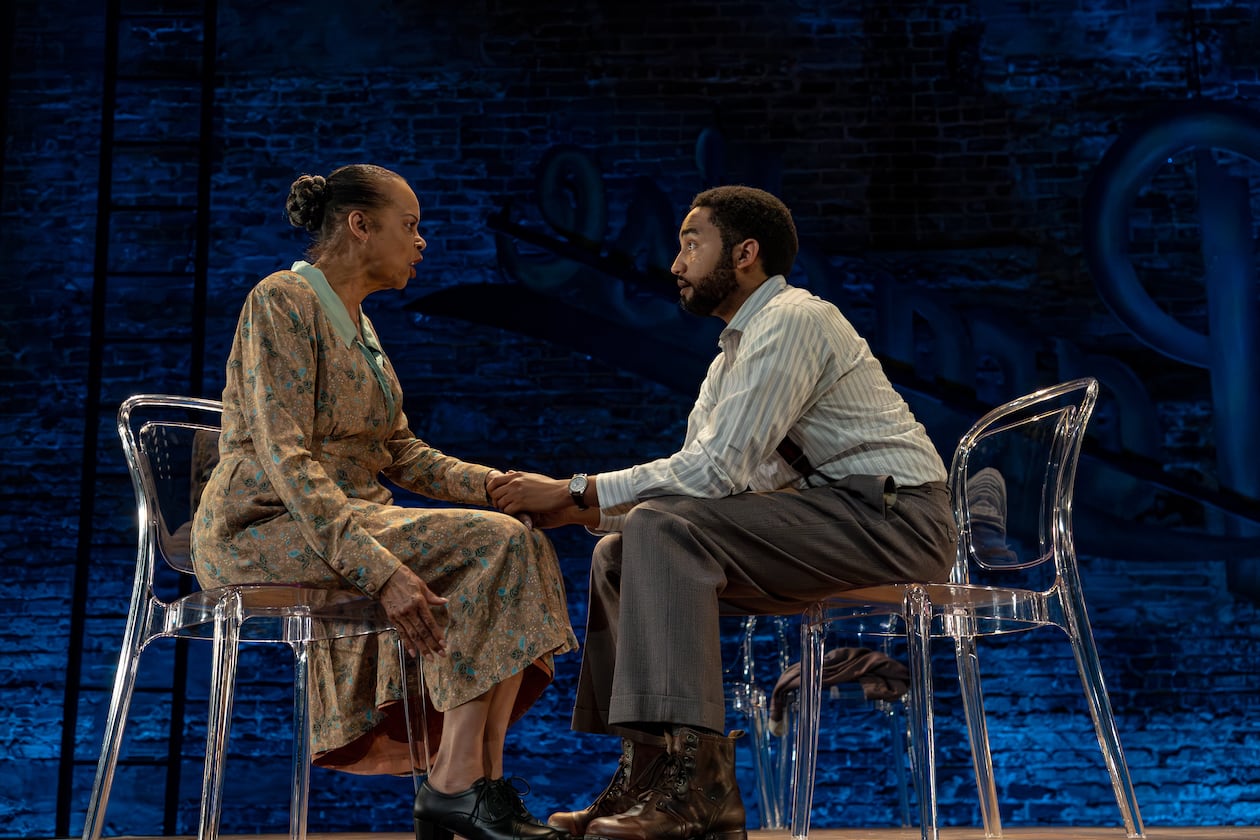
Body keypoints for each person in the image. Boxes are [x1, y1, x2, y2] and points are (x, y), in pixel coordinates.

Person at [488, 185, 957, 840]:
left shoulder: (794, 320)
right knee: (619, 554)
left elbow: (713, 476)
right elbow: (694, 497)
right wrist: (585, 515)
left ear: (744, 253)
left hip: (896, 522)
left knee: (656, 531)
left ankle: (701, 788)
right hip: (825, 520)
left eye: (691, 244)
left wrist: (574, 490)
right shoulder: (727, 363)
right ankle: (653, 775)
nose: (675, 263)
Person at [190, 164, 578, 840]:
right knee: (494, 545)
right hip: (264, 525)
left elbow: (400, 452)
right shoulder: (281, 300)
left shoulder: (362, 329)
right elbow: (286, 456)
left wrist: (498, 487)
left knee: (515, 535)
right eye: (410, 226)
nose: (421, 242)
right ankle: (457, 785)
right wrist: (379, 569)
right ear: (359, 225)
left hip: (344, 516)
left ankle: (477, 780)